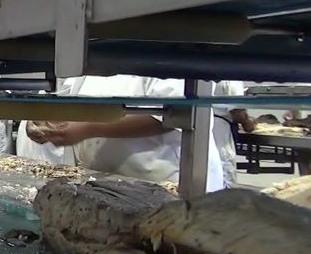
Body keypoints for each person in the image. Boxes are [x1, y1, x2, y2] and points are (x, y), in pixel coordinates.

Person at [31, 75, 224, 191]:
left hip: (167, 182)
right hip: (109, 183)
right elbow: (67, 99)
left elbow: (173, 115)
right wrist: (41, 121)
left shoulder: (165, 39)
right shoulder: (95, 47)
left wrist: (87, 128)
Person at [212, 81, 255, 186]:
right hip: (221, 131)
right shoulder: (232, 81)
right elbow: (237, 114)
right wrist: (248, 123)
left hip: (207, 125)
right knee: (224, 172)